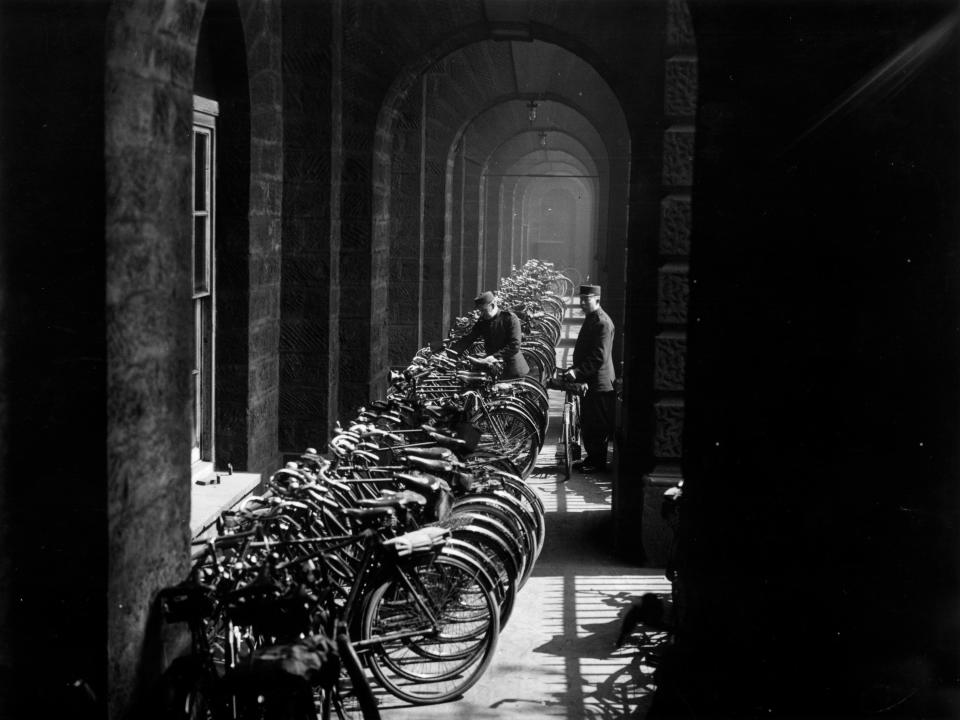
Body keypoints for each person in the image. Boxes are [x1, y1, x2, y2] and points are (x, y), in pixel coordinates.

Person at [563, 284, 616, 473]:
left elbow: (598, 356)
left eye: (587, 299)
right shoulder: (592, 319)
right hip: (592, 380)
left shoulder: (602, 322)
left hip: (600, 383)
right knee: (589, 423)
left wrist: (577, 372)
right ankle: (591, 459)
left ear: (597, 300)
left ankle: (597, 462)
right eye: (581, 299)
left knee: (597, 426)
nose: (583, 303)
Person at [448, 291, 530, 379]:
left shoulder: (509, 318)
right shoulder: (483, 321)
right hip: (494, 368)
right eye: (480, 311)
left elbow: (514, 345)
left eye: (484, 310)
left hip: (512, 370)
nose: (482, 314)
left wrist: (494, 356)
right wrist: (450, 352)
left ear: (493, 305)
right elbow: (470, 338)